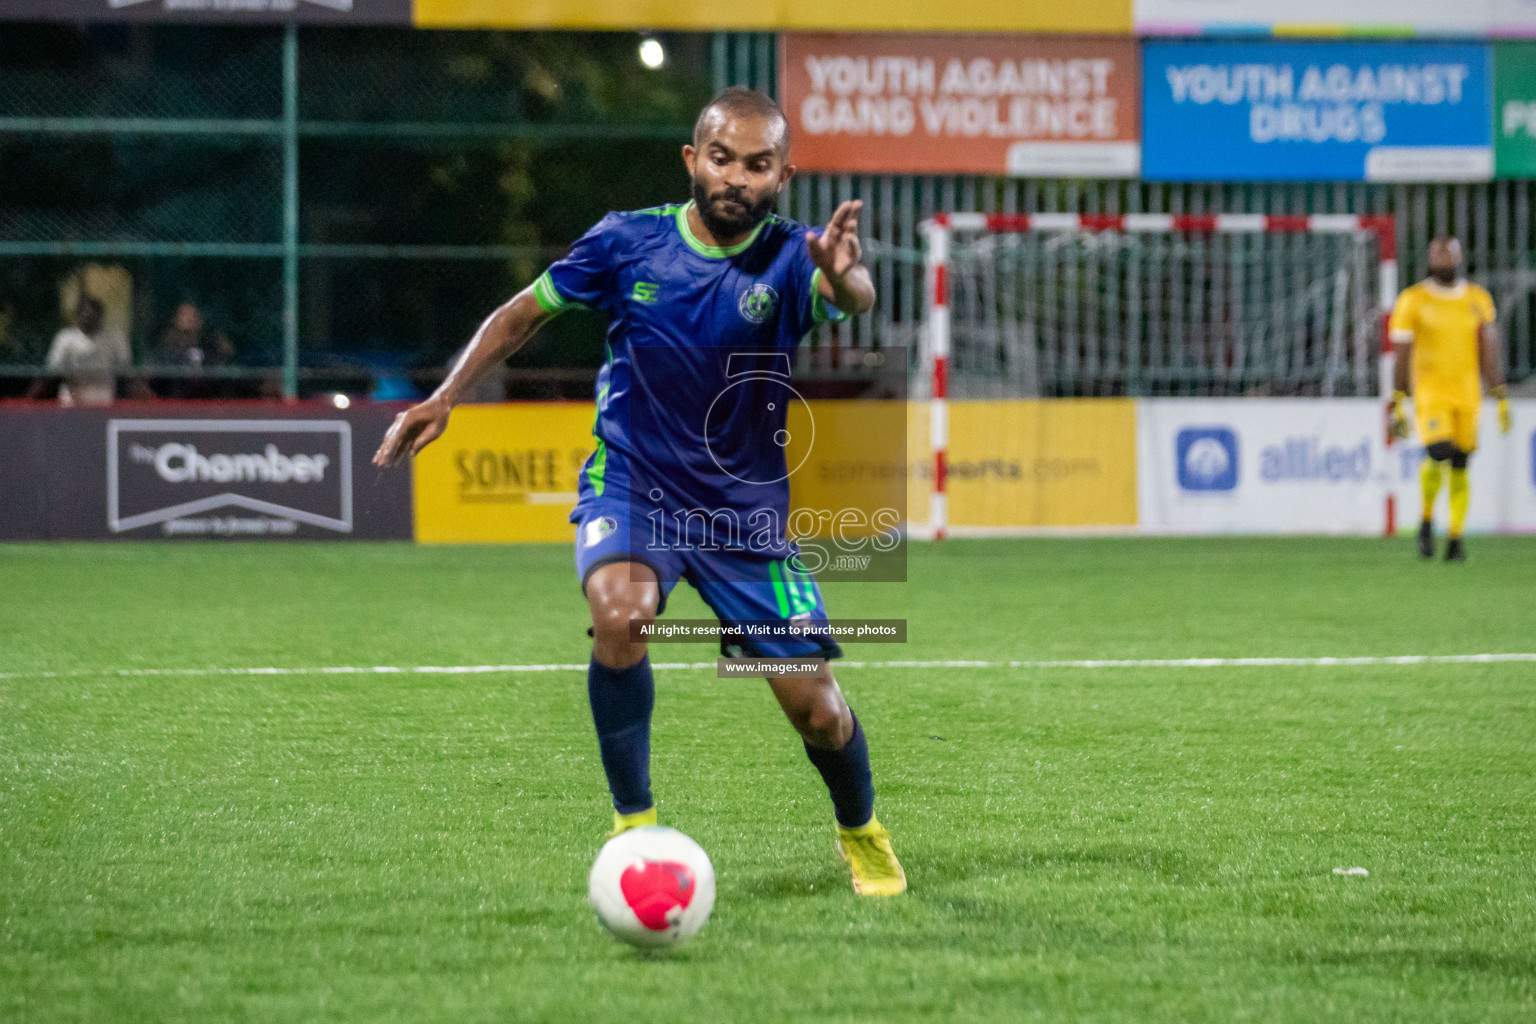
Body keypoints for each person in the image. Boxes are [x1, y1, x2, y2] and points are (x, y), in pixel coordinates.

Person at [375, 88, 905, 896]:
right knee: (620, 616)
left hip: (744, 518)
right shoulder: (627, 241)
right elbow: (522, 314)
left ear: (782, 176)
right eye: (721, 158)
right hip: (634, 486)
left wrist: (846, 273)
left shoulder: (799, 256)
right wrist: (446, 395)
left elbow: (852, 294)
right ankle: (634, 830)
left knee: (819, 712)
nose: (736, 177)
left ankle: (861, 831)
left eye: (758, 166)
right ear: (693, 161)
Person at [1388, 237, 1512, 561]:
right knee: (1438, 451)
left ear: (1459, 257)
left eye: (1448, 253)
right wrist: (1398, 400)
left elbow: (1489, 349)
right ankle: (1427, 520)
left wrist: (1499, 394)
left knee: (1461, 463)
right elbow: (1401, 355)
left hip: (1468, 395)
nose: (1443, 258)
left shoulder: (1477, 298)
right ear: (1429, 258)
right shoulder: (1413, 300)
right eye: (1437, 253)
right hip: (1430, 393)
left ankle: (1455, 539)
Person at [31, 295, 131, 406]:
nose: (88, 316)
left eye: (93, 313)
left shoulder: (115, 338)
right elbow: (54, 369)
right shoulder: (65, 338)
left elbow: (125, 368)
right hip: (73, 395)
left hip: (103, 393)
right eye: (84, 313)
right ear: (77, 315)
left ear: (101, 315)